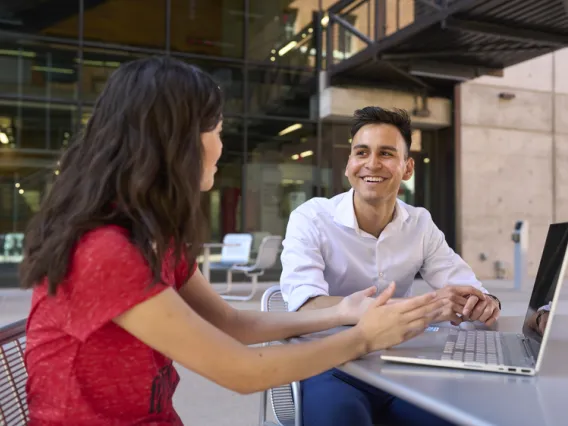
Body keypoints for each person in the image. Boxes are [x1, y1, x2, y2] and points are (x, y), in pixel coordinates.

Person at [19, 58, 445, 425]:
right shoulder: (105, 252)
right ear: (177, 141)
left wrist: (342, 312)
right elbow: (241, 372)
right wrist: (364, 338)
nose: (222, 147)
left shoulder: (157, 241)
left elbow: (231, 324)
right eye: (218, 131)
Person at [280, 106, 503, 426]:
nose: (372, 164)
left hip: (403, 366)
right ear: (348, 165)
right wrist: (425, 307)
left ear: (407, 167)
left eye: (386, 153)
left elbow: (468, 288)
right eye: (361, 152)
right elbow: (305, 305)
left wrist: (484, 303)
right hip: (330, 364)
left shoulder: (420, 224)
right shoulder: (311, 218)